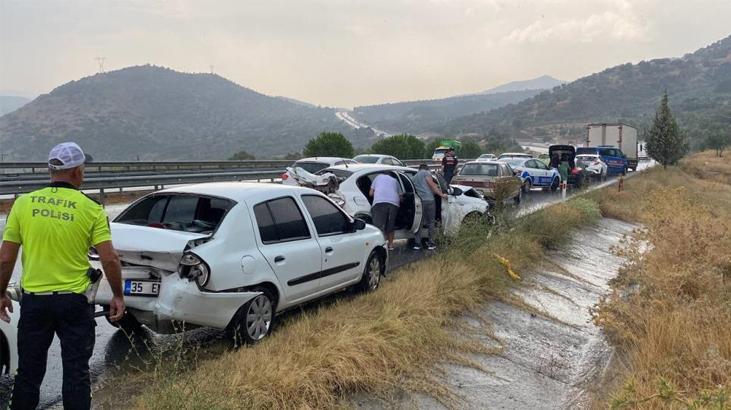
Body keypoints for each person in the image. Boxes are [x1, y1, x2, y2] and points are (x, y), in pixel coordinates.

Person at [0, 142, 125, 410]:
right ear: (77, 172)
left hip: (35, 303)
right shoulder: (91, 209)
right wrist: (117, 295)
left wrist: (0, 294)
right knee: (77, 376)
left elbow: (6, 258)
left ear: (50, 170)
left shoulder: (22, 204)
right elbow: (110, 258)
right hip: (75, 304)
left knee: (28, 377)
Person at [412, 164, 446, 251]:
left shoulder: (414, 177)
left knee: (419, 222)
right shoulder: (426, 173)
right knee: (431, 222)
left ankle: (417, 244)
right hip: (429, 200)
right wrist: (441, 194)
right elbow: (432, 185)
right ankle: (431, 243)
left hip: (419, 201)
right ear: (426, 169)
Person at [369, 172, 401, 250]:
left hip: (379, 203)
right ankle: (390, 245)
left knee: (379, 226)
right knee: (391, 225)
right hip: (394, 204)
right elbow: (401, 195)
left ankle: (381, 246)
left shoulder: (377, 178)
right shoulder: (395, 180)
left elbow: (370, 193)